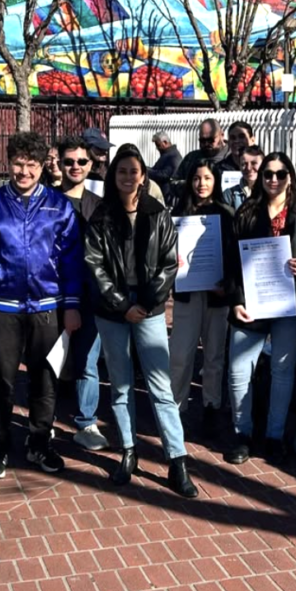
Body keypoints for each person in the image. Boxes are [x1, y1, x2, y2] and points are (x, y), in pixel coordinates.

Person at [83, 145, 197, 497]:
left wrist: (146, 303)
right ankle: (128, 451)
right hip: (113, 310)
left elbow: (168, 263)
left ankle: (177, 459)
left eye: (134, 171)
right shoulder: (101, 216)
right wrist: (121, 304)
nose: (128, 177)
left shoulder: (157, 213)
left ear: (143, 176)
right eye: (121, 171)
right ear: (113, 176)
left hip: (149, 307)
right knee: (120, 386)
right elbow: (95, 265)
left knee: (160, 387)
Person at [0, 132, 84, 480]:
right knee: (1, 381)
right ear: (8, 163)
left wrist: (71, 305)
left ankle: (39, 442)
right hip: (2, 307)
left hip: (47, 306)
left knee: (45, 380)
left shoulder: (60, 206)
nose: (24, 172)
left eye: (32, 165)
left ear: (43, 166)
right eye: (18, 164)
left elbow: (70, 260)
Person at [225, 152, 296, 466]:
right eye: (267, 174)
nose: (273, 180)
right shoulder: (247, 211)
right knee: (238, 371)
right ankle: (242, 433)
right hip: (251, 303)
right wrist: (235, 300)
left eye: (280, 174)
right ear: (260, 178)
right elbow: (233, 261)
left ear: (290, 175)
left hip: (288, 303)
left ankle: (274, 436)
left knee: (282, 371)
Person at [169, 160, 235, 437]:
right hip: (187, 293)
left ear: (216, 181)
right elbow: (167, 250)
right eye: (197, 178)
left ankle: (211, 407)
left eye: (207, 178)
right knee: (181, 355)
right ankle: (176, 409)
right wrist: (174, 261)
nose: (202, 184)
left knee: (214, 356)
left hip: (217, 295)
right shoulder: (179, 212)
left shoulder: (226, 214)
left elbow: (233, 255)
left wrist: (227, 285)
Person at [55, 136, 108, 451]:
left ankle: (87, 422)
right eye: (69, 161)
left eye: (82, 161)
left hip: (90, 297)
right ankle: (43, 420)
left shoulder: (99, 206)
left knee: (88, 361)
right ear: (59, 163)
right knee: (48, 361)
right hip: (50, 295)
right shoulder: (45, 201)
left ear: (92, 164)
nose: (75, 167)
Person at [175, 119, 228, 187]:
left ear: (222, 135)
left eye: (210, 140)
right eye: (202, 141)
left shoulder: (233, 158)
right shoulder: (191, 159)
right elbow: (175, 182)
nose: (206, 144)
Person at [224, 145, 263, 211]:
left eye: (254, 163)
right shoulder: (230, 194)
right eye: (244, 164)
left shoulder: (269, 191)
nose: (248, 168)